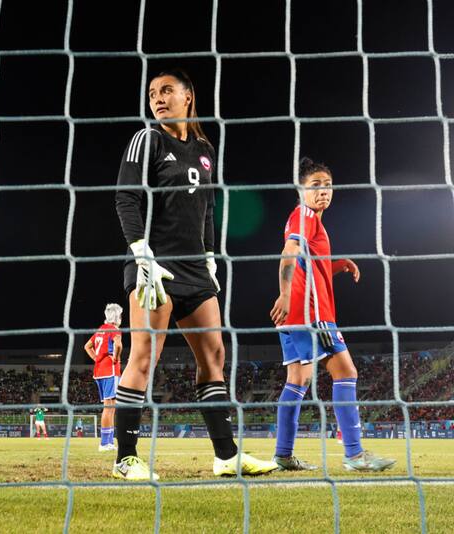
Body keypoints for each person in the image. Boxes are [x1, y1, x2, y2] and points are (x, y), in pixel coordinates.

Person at [112, 68, 278, 480]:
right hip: (154, 265)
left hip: (194, 269)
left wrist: (209, 256)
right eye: (152, 92)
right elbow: (125, 198)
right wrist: (141, 254)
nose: (158, 98)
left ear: (188, 96)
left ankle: (226, 456)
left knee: (214, 356)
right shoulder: (147, 139)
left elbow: (207, 207)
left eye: (167, 90)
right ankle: (125, 459)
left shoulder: (205, 149)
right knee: (143, 356)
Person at [269, 157, 395, 472]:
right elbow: (289, 253)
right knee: (346, 372)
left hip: (295, 315)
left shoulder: (308, 220)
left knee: (297, 380)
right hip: (310, 313)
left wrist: (338, 265)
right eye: (315, 185)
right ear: (301, 190)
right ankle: (354, 454)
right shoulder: (305, 215)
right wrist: (285, 294)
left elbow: (309, 265)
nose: (323, 190)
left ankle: (283, 455)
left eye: (327, 185)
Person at [84, 303, 124, 451]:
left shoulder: (100, 329)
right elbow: (118, 345)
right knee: (109, 408)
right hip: (110, 371)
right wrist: (116, 358)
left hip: (99, 371)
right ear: (116, 316)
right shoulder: (114, 330)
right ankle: (104, 443)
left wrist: (96, 358)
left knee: (110, 407)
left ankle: (109, 442)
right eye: (120, 315)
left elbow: (87, 346)